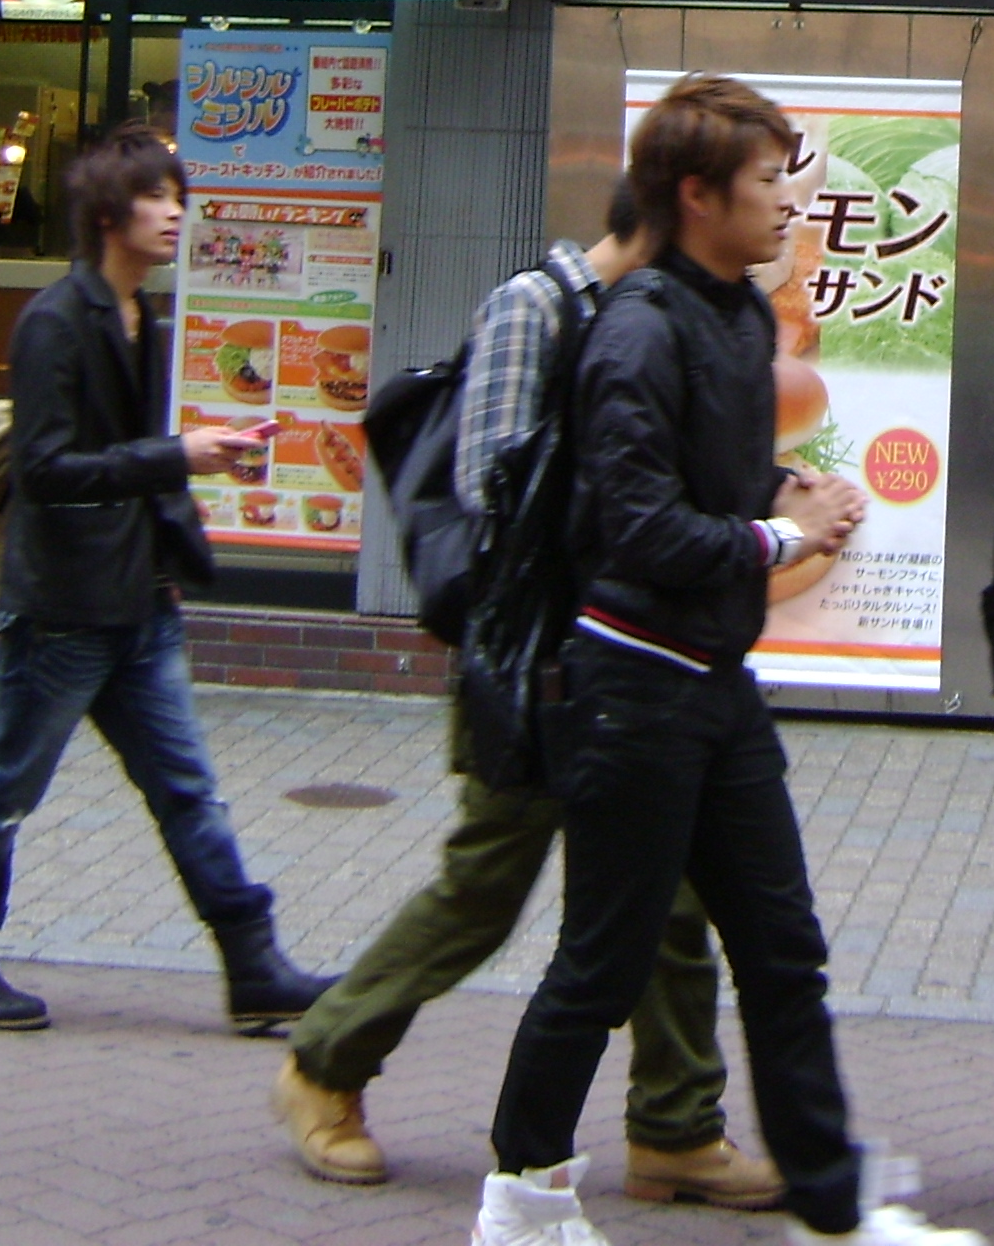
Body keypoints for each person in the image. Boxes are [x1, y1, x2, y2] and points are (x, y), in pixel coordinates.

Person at [471, 74, 976, 1246]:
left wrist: (785, 486)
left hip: (714, 686)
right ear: (698, 196)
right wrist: (782, 536)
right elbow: (640, 528)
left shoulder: (742, 315)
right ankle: (520, 1204)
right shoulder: (636, 331)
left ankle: (833, 1207)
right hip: (628, 690)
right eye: (766, 182)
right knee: (601, 964)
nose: (790, 202)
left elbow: (719, 477)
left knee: (784, 949)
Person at [272, 184, 780, 1208]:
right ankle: (323, 1063)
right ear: (671, 220)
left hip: (640, 672)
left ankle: (676, 1128)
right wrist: (623, 493)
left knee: (671, 901)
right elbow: (489, 489)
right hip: (537, 669)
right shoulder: (534, 308)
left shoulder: (671, 318)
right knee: (485, 889)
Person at [0, 124, 333, 1035]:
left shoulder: (144, 318)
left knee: (188, 788)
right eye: (156, 197)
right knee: (8, 788)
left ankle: (254, 965)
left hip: (138, 602)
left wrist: (188, 483)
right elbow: (46, 470)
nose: (175, 212)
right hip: (63, 609)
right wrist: (177, 454)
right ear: (109, 214)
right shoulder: (55, 323)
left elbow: (128, 459)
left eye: (178, 196)